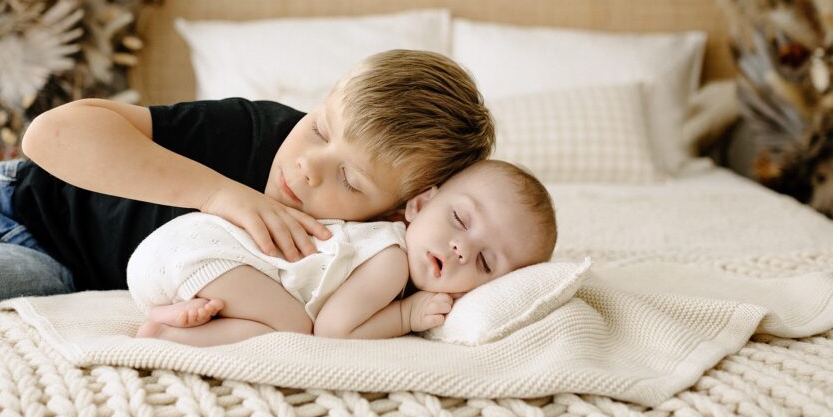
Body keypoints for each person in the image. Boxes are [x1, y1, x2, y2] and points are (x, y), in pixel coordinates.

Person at [0, 50, 495, 323]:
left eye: (350, 180)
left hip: (56, 270)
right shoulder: (255, 130)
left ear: (403, 209)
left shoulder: (360, 253)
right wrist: (220, 194)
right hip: (18, 195)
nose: (308, 166)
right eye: (321, 127)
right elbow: (50, 137)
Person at [129, 160, 557, 344]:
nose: (462, 248)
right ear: (421, 205)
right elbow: (333, 330)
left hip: (173, 259)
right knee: (294, 328)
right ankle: (170, 336)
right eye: (460, 221)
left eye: (484, 262)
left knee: (274, 308)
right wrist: (406, 316)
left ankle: (173, 314)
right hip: (201, 254)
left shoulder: (376, 243)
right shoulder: (389, 259)